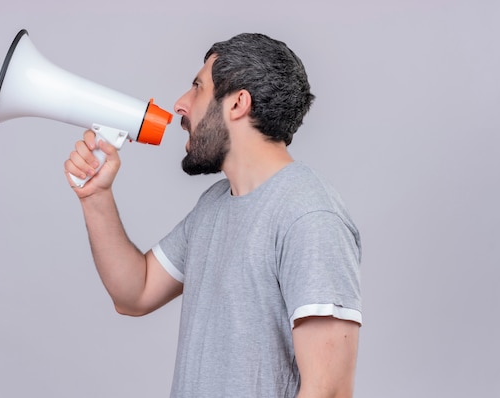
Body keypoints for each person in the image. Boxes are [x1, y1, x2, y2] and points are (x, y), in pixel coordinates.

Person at [64, 33, 362, 398]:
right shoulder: (214, 205)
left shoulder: (309, 215)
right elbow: (135, 293)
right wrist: (96, 196)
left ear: (238, 103)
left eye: (197, 87)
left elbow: (328, 391)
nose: (180, 104)